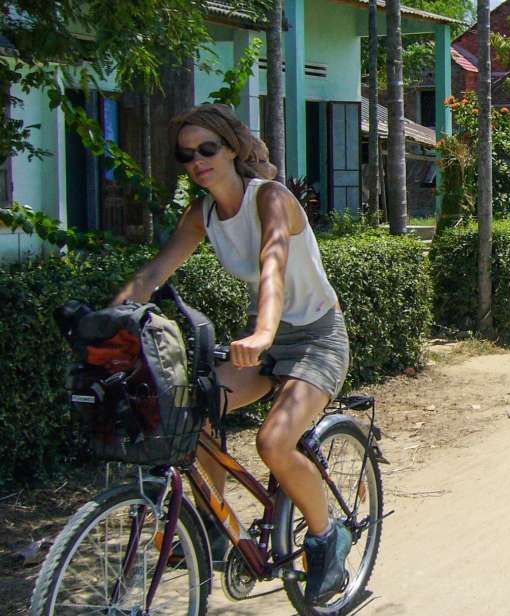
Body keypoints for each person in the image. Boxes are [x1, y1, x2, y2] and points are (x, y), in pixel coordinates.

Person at [111, 104, 351, 606]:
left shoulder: (272, 199)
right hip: (260, 342)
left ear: (232, 147)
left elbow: (273, 267)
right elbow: (154, 273)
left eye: (207, 148)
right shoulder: (201, 214)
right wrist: (107, 320)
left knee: (274, 442)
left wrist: (265, 331)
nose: (196, 161)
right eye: (185, 154)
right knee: (188, 416)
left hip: (315, 338)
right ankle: (214, 530)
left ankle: (328, 537)